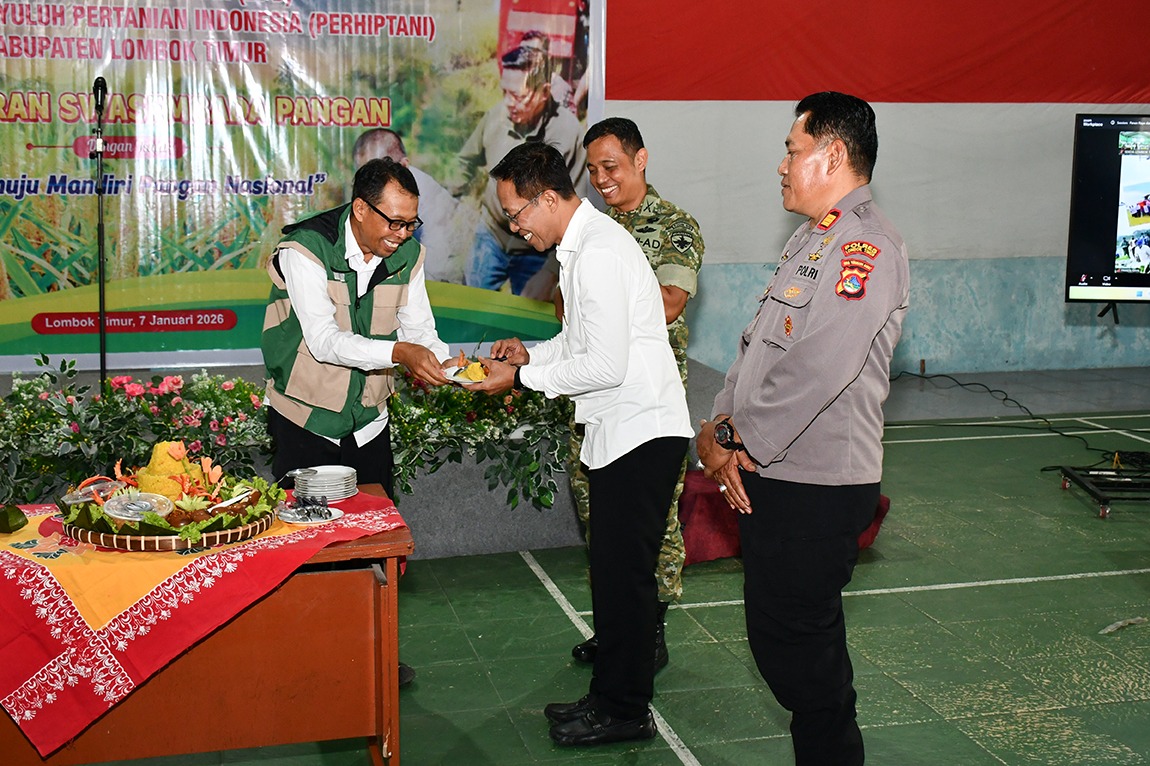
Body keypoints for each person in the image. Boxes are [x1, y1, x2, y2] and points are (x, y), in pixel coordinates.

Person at [696, 92, 909, 765]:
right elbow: (758, 346)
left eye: (792, 149)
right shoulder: (813, 237)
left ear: (833, 153)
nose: (782, 165)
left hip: (816, 484)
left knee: (803, 659)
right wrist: (721, 423)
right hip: (776, 472)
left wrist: (735, 441)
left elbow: (820, 367)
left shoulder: (865, 248)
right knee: (785, 642)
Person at [469, 142, 691, 747]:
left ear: (548, 197)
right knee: (615, 578)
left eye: (517, 214)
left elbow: (606, 365)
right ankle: (607, 698)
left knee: (628, 581)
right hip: (621, 430)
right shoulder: (581, 247)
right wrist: (532, 355)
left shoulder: (595, 253)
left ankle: (625, 711)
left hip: (641, 431)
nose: (515, 228)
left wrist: (521, 377)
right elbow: (577, 345)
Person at [560, 117, 704, 672]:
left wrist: (607, 303)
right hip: (593, 395)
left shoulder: (673, 226)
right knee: (599, 517)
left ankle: (651, 628)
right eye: (592, 171)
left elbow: (668, 302)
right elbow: (564, 310)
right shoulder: (585, 230)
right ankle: (618, 626)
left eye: (611, 167)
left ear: (641, 159)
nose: (602, 180)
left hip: (646, 403)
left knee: (652, 524)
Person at [452, 45, 585, 295]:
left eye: (518, 95)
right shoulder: (495, 117)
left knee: (531, 326)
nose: (508, 103)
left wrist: (550, 272)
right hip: (490, 237)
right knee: (473, 314)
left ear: (544, 92)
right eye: (505, 92)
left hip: (537, 252)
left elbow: (573, 213)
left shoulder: (569, 134)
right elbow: (464, 163)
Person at [352, 128, 463, 284]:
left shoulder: (433, 203)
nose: (369, 186)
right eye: (364, 174)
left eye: (379, 177)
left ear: (403, 166)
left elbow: (437, 273)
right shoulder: (365, 196)